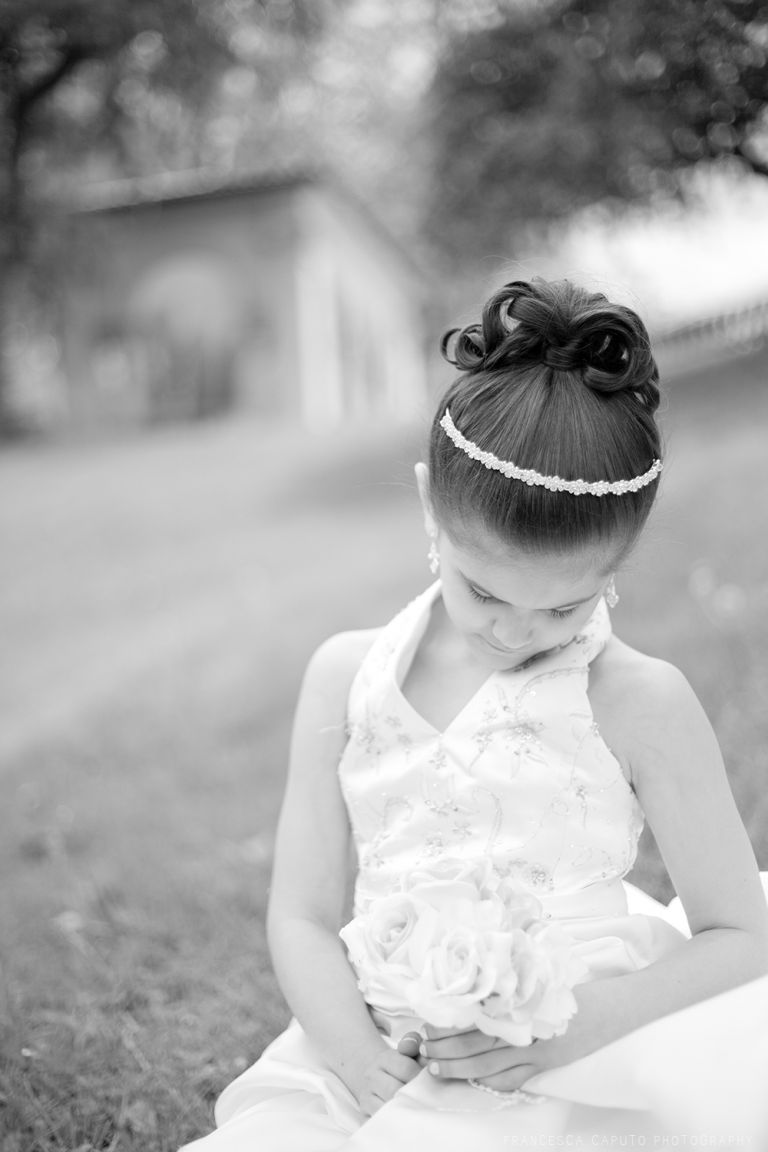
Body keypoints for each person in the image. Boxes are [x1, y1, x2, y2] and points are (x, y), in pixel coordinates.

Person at [180, 279, 768, 1151]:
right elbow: (300, 911)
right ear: (429, 504)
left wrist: (578, 1029)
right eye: (482, 590)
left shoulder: (639, 699)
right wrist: (351, 1053)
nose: (514, 632)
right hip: (376, 1049)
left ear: (620, 559)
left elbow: (740, 933)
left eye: (566, 606)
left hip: (575, 1050)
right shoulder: (346, 677)